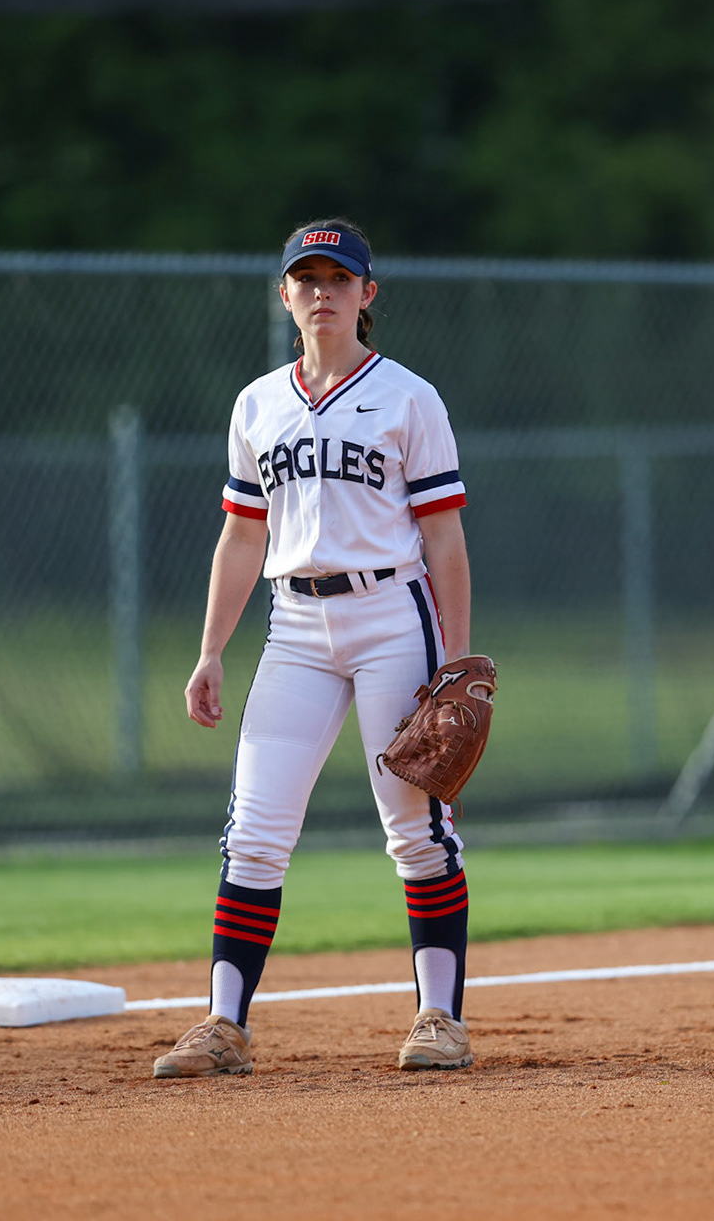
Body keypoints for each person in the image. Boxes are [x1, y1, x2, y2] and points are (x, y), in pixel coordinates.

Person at [153, 219, 477, 1078]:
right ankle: (224, 1026)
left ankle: (439, 1017)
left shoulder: (410, 397)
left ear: (368, 296)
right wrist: (210, 650)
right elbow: (239, 536)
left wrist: (455, 663)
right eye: (308, 277)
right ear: (285, 294)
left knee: (414, 825)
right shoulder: (257, 404)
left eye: (341, 278)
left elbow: (443, 538)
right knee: (254, 832)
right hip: (293, 625)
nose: (323, 291)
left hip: (388, 616)